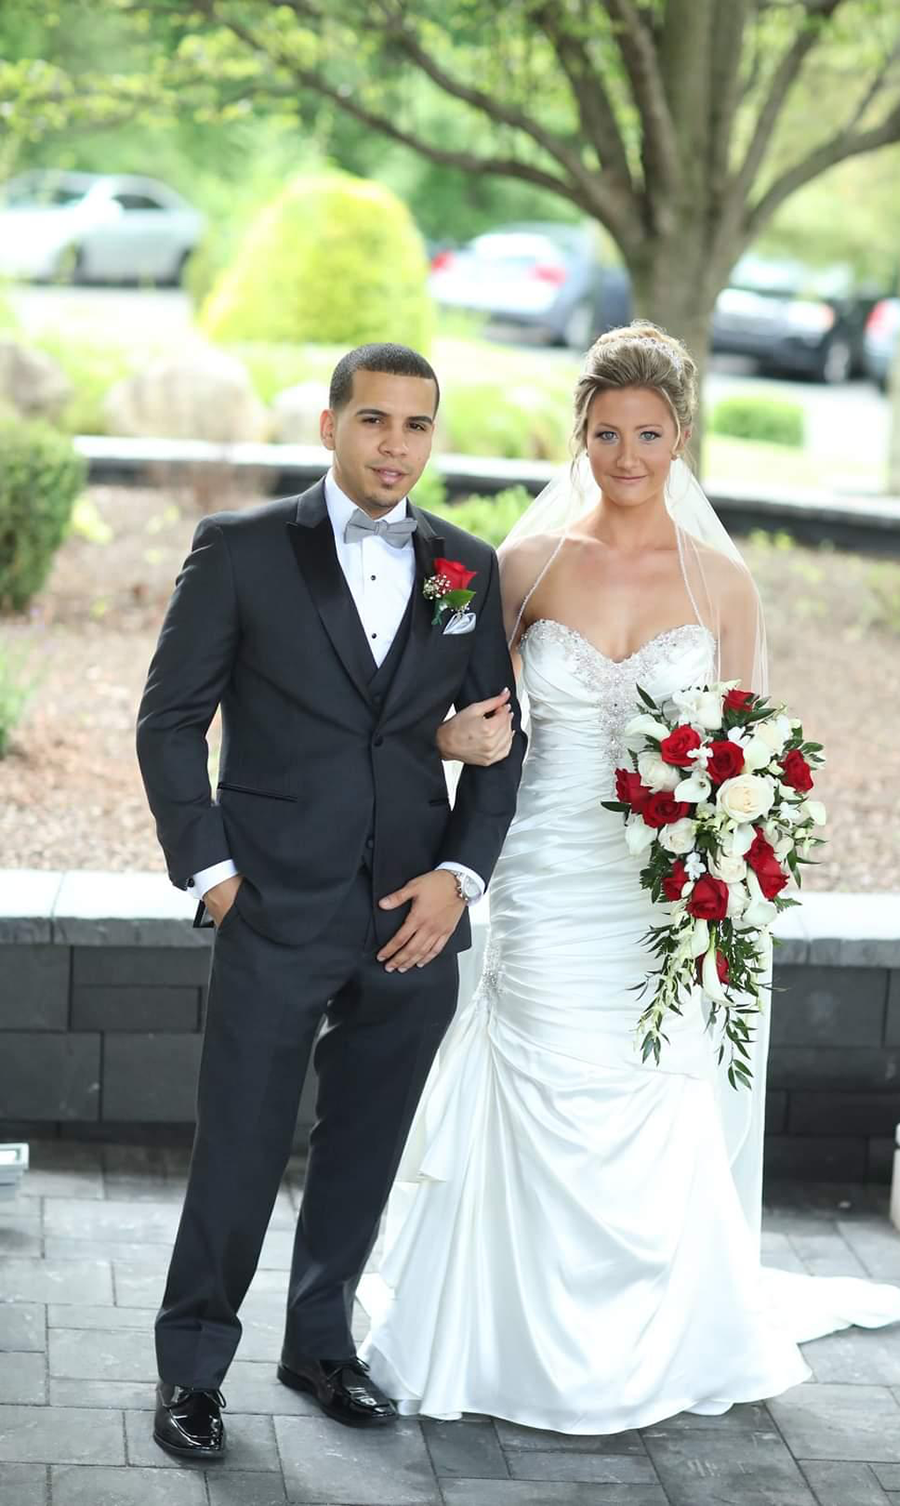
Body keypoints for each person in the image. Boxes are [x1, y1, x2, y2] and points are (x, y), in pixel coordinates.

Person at [359, 322, 900, 1432]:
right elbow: (456, 712)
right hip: (544, 868)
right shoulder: (522, 567)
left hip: (657, 890)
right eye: (604, 433)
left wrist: (719, 854)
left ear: (680, 437)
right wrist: (445, 744)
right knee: (537, 1067)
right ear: (580, 435)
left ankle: (654, 1339)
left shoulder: (722, 584)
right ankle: (500, 1339)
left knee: (653, 1087)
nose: (624, 457)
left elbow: (746, 749)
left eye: (647, 435)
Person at [135, 342, 525, 1460]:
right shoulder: (243, 549)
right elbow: (170, 720)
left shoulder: (462, 566)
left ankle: (319, 1345)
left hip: (411, 915)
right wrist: (213, 879)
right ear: (329, 427)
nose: (395, 445)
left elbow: (498, 745)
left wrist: (460, 880)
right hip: (272, 908)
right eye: (373, 422)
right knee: (241, 1145)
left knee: (365, 1145)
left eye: (416, 425)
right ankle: (192, 1372)